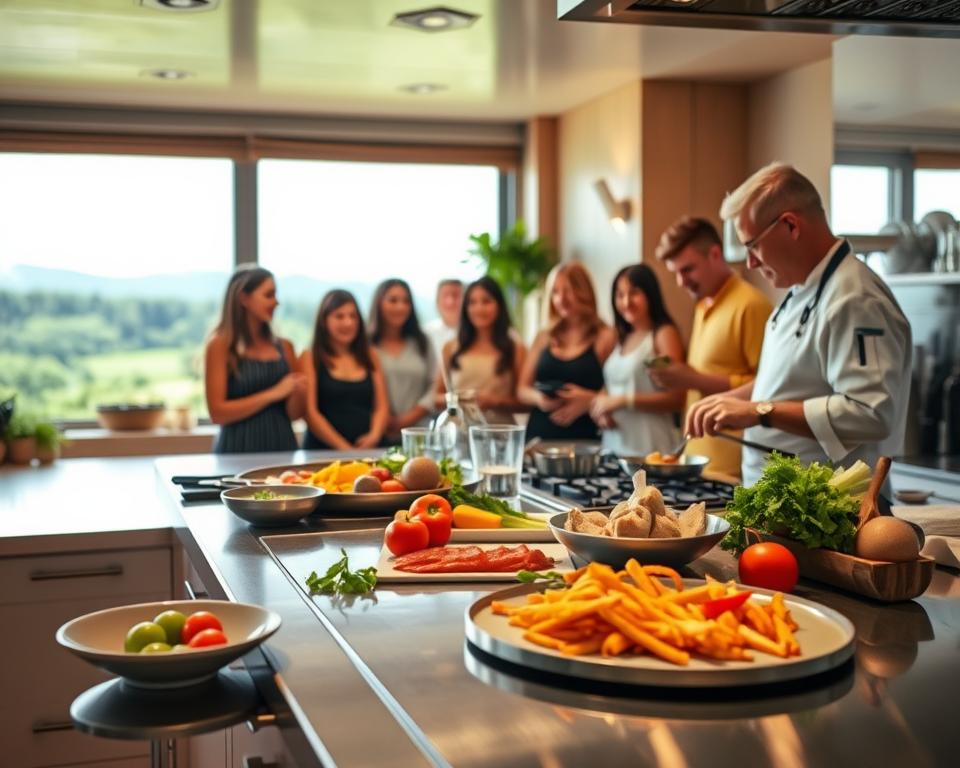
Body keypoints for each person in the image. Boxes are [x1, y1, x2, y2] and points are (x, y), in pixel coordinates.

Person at [685, 163, 912, 485]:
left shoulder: (855, 299)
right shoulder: (800, 291)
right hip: (779, 499)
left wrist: (759, 411)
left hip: (828, 510)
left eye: (752, 246)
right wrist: (734, 401)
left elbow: (870, 414)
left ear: (790, 225)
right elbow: (786, 385)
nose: (750, 263)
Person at [650, 216, 772, 477]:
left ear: (715, 254)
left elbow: (768, 388)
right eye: (676, 273)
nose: (681, 282)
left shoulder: (752, 305)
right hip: (697, 461)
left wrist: (693, 379)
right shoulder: (703, 305)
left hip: (734, 469)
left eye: (687, 269)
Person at [205, 265, 306, 454]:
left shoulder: (286, 347)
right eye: (269, 295)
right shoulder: (220, 346)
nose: (276, 302)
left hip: (283, 451)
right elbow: (217, 413)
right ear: (244, 298)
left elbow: (295, 414)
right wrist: (274, 393)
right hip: (236, 453)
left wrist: (299, 392)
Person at [590, 264, 685, 455]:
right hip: (614, 448)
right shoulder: (621, 337)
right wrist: (601, 408)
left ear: (650, 294)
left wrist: (624, 401)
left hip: (650, 451)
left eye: (634, 293)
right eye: (620, 295)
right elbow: (612, 386)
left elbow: (677, 398)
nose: (626, 302)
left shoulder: (662, 335)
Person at [519, 262, 617, 441]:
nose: (561, 299)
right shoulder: (544, 336)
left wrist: (589, 401)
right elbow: (522, 389)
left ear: (584, 291)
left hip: (586, 441)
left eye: (568, 290)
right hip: (538, 440)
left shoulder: (605, 336)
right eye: (555, 292)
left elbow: (616, 389)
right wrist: (540, 399)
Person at [300, 289, 389, 450]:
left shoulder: (370, 355)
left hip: (367, 450)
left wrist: (374, 436)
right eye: (339, 316)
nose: (348, 322)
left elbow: (381, 407)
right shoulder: (309, 356)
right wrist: (345, 449)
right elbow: (310, 412)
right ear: (324, 320)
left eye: (353, 316)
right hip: (322, 451)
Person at [436, 276, 525, 424]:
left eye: (486, 301)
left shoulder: (515, 348)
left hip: (500, 434)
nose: (479, 308)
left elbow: (525, 403)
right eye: (472, 302)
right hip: (460, 434)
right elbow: (436, 397)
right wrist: (460, 400)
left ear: (499, 305)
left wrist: (496, 402)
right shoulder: (450, 347)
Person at [368, 278, 436, 443]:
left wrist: (408, 418)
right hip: (375, 434)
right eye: (393, 300)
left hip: (419, 434)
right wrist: (383, 420)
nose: (400, 307)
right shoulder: (366, 344)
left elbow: (435, 385)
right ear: (379, 303)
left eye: (406, 301)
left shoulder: (422, 342)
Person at [424, 279, 464, 358]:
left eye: (455, 295)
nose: (450, 302)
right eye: (445, 295)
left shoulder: (477, 332)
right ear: (437, 300)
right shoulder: (426, 333)